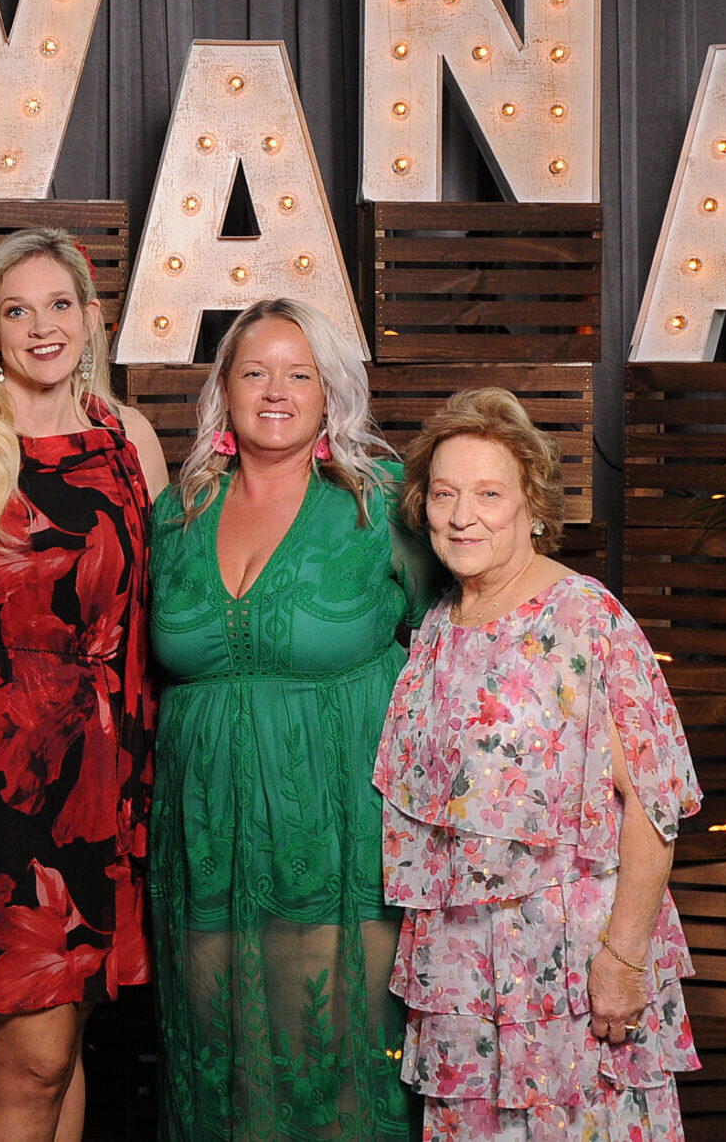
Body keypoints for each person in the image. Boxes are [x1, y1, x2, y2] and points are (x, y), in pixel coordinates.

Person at [0, 227, 168, 1142]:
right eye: (17, 310)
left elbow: (158, 607)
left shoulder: (128, 438)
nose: (42, 326)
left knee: (67, 1048)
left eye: (59, 305)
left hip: (105, 781)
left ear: (89, 319)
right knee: (32, 1059)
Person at [146, 298, 444, 1142]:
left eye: (298, 374)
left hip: (339, 836)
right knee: (219, 1070)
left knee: (333, 1065)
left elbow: (458, 644)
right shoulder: (176, 511)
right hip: (204, 846)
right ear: (224, 389)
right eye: (254, 371)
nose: (275, 391)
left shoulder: (378, 501)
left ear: (328, 393)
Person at [373, 387, 702, 1141]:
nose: (463, 515)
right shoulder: (437, 627)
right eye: (445, 494)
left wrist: (623, 958)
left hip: (570, 976)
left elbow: (653, 807)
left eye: (489, 494)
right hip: (463, 981)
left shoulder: (586, 617)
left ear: (531, 506)